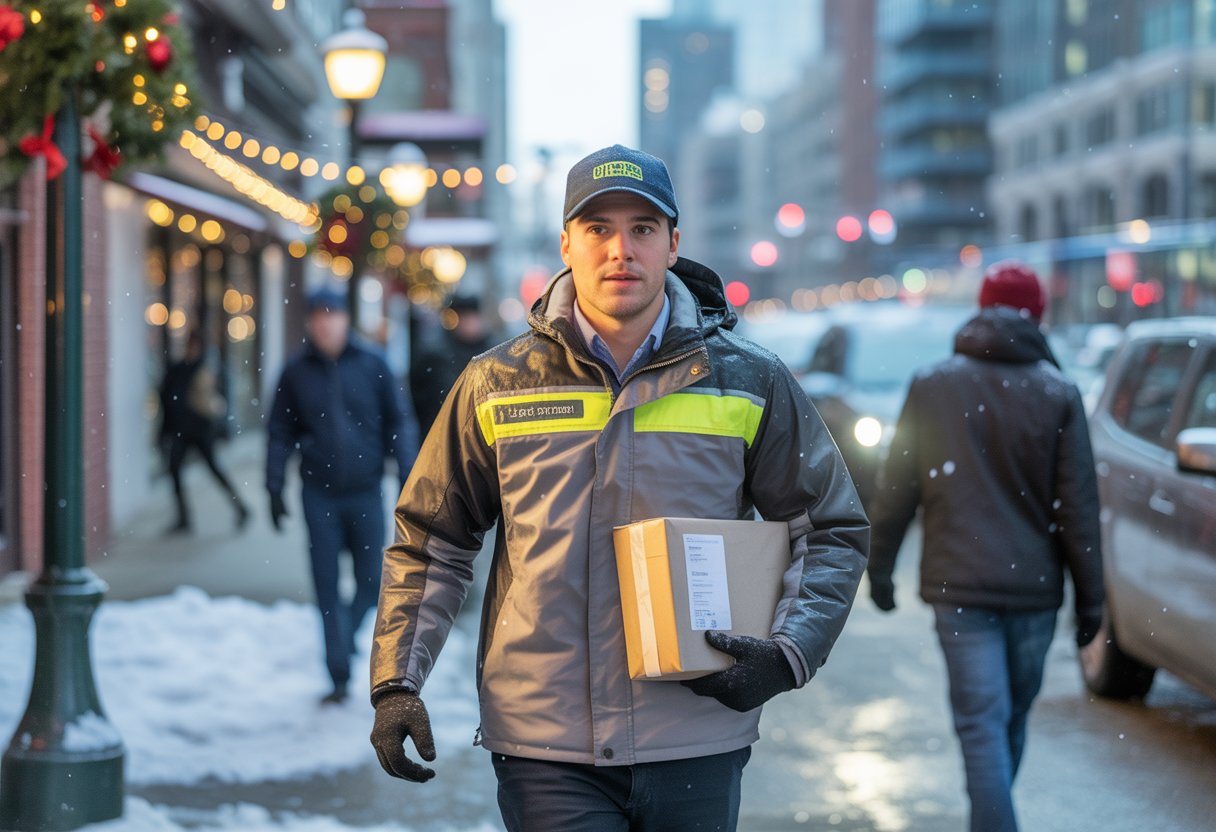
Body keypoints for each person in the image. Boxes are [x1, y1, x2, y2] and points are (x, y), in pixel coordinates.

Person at [369, 144, 869, 830]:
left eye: (642, 228)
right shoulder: (496, 382)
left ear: (673, 244)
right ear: (567, 244)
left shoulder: (750, 379)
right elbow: (432, 539)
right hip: (545, 745)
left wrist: (788, 653)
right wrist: (397, 680)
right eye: (599, 228)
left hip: (695, 733)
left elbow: (831, 527)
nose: (620, 250)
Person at [864, 260, 1105, 832]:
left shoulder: (933, 384)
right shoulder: (1058, 391)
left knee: (982, 722)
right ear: (1037, 317)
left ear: (981, 308)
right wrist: (1092, 599)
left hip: (960, 584)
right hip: (1034, 591)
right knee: (1007, 718)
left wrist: (881, 568)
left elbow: (898, 485)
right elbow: (1079, 510)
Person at [266, 286, 420, 705]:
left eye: (332, 314)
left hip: (366, 492)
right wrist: (274, 484)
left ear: (345, 319)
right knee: (326, 583)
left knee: (372, 580)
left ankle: (344, 639)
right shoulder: (295, 372)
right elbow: (280, 431)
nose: (325, 322)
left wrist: (409, 472)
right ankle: (337, 672)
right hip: (319, 495)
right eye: (317, 315)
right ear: (309, 322)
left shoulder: (373, 364)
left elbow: (399, 422)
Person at [158, 328, 249, 534]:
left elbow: (216, 401)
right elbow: (166, 399)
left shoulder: (205, 371)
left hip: (199, 431)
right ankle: (184, 516)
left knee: (213, 469)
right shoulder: (180, 369)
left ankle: (240, 507)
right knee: (176, 470)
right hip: (182, 431)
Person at [409, 293, 497, 433]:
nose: (469, 323)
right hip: (444, 431)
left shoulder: (494, 353)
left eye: (472, 317)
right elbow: (419, 399)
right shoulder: (436, 355)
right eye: (465, 317)